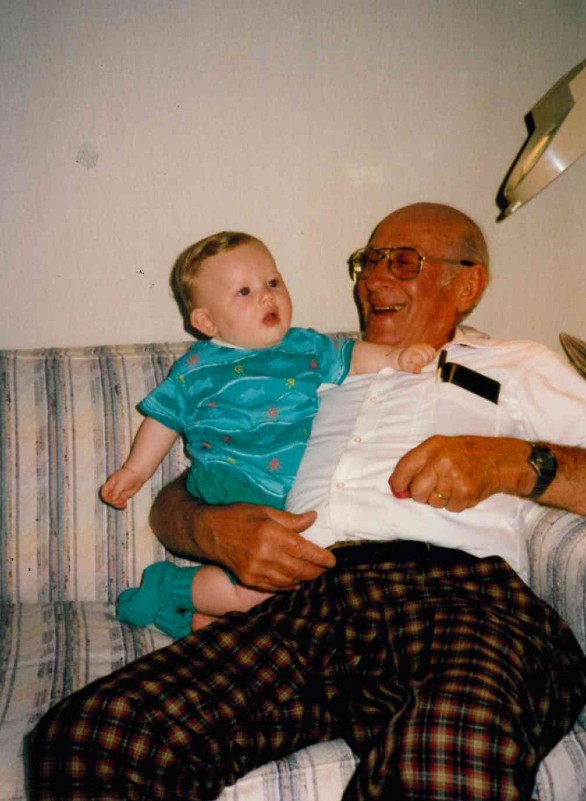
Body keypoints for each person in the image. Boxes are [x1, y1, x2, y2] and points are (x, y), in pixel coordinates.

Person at [30, 203, 586, 801]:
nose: (374, 280)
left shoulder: (516, 365)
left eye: (403, 261)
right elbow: (179, 494)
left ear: (468, 283)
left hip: (459, 598)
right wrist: (215, 529)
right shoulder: (304, 364)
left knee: (444, 762)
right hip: (303, 601)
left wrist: (508, 461)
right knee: (93, 737)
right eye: (367, 262)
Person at [100, 231, 435, 637]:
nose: (266, 296)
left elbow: (354, 357)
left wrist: (398, 358)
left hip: (291, 492)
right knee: (281, 582)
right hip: (232, 482)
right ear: (206, 321)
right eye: (244, 291)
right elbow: (164, 419)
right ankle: (169, 587)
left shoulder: (306, 346)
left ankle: (200, 620)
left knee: (296, 587)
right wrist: (135, 472)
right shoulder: (198, 367)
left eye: (272, 282)